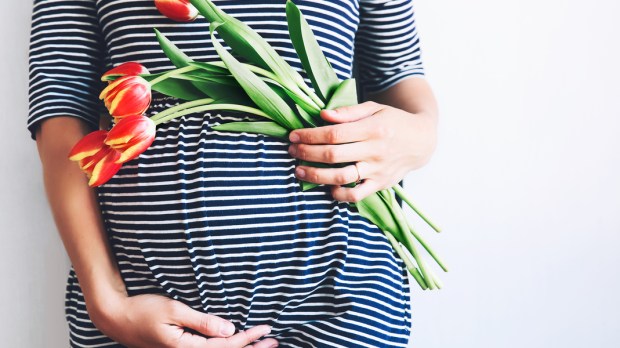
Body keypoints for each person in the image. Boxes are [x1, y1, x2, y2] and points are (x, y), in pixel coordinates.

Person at [29, 0, 438, 347]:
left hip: (340, 300)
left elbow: (398, 77)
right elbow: (59, 103)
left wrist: (419, 138)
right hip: (139, 306)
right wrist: (107, 302)